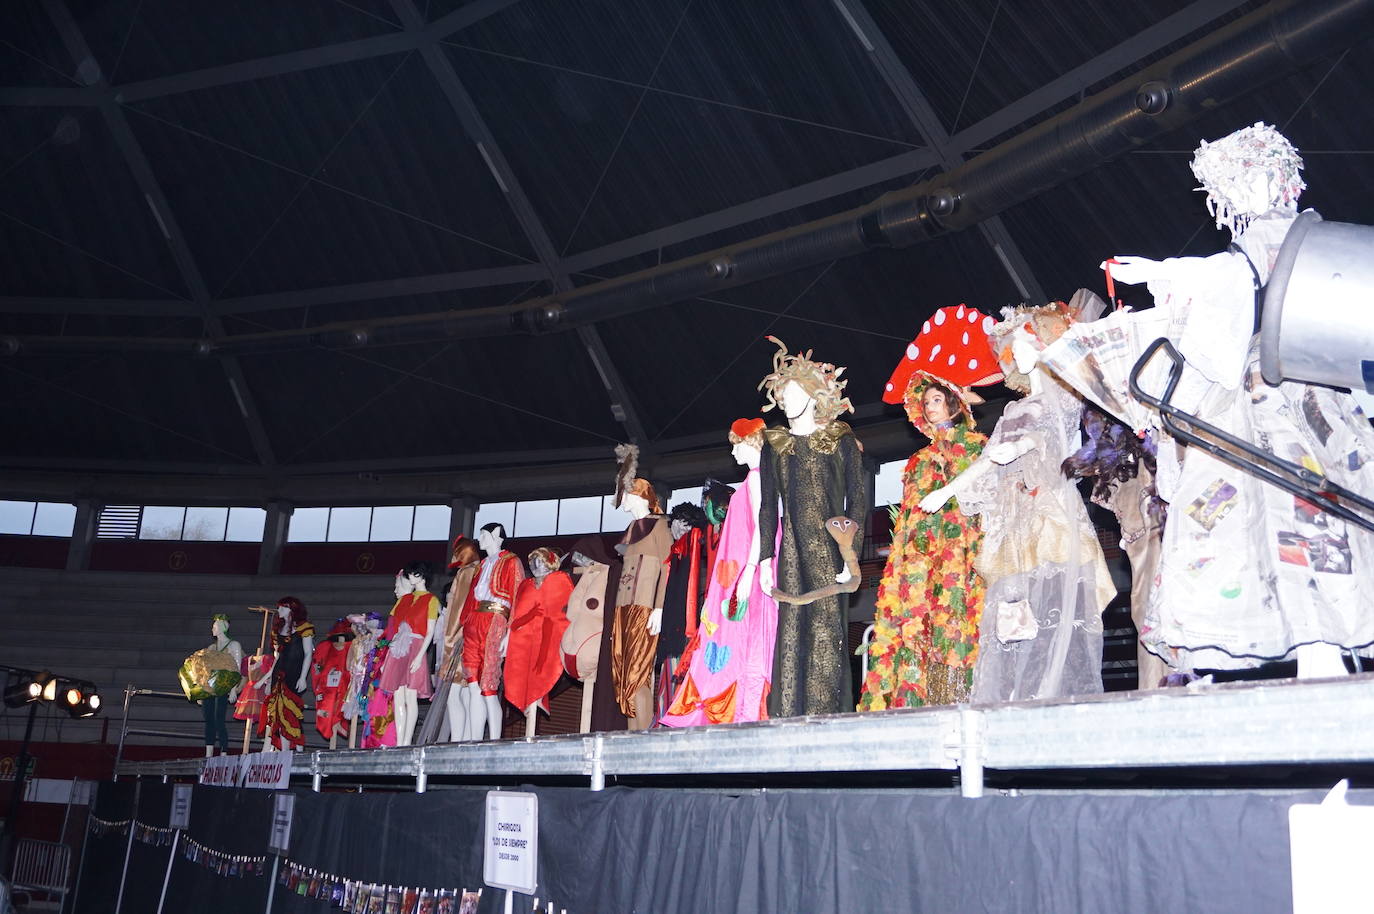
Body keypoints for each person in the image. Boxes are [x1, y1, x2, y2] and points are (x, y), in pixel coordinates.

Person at [756, 337, 869, 717]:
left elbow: (858, 500)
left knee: (824, 631)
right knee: (790, 632)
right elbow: (767, 506)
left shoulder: (840, 440)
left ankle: (825, 719)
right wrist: (762, 560)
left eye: (791, 392)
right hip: (790, 549)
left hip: (830, 547)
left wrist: (849, 555)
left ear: (811, 392)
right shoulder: (775, 445)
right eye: (781, 394)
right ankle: (786, 719)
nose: (784, 401)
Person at [661, 418, 781, 726]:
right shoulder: (754, 481)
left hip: (744, 574)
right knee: (732, 638)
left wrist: (749, 572)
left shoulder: (757, 480)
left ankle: (741, 709)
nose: (733, 452)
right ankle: (733, 708)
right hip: (736, 574)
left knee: (744, 638)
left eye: (736, 445)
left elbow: (762, 529)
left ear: (750, 443)